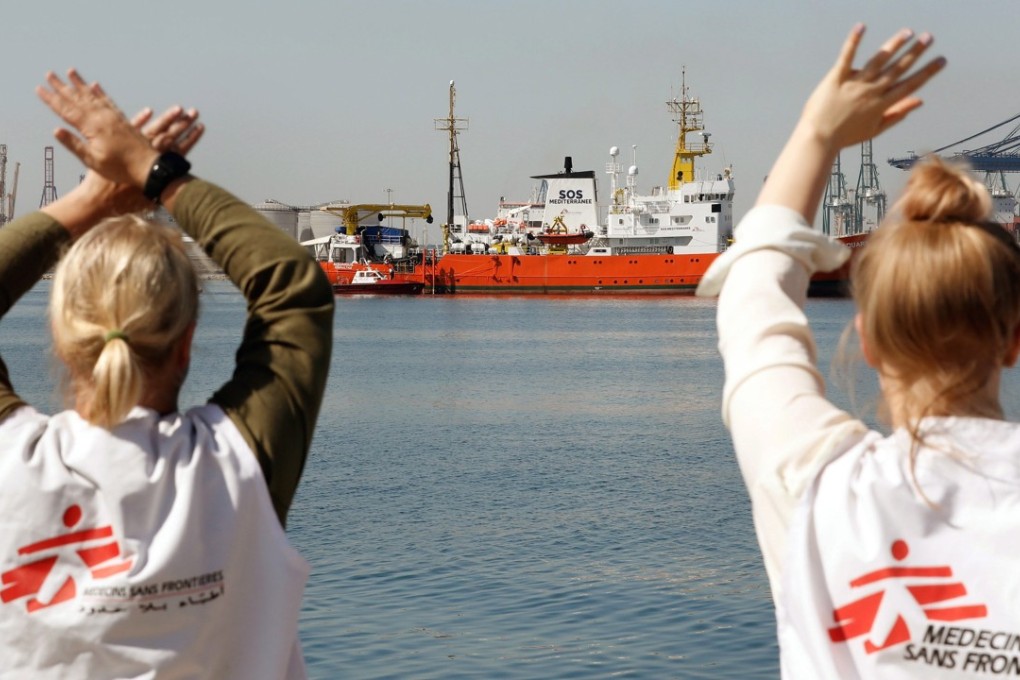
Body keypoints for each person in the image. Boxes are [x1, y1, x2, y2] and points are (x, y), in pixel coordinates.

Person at [693, 26, 1020, 678]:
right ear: (1013, 340)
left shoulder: (820, 485)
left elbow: (754, 293)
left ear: (866, 339)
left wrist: (818, 132)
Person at [0, 70, 334, 678]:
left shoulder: (9, 466)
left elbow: (289, 290)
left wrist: (89, 201)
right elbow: (293, 285)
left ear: (61, 336)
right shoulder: (237, 467)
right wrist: (160, 173)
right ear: (186, 343)